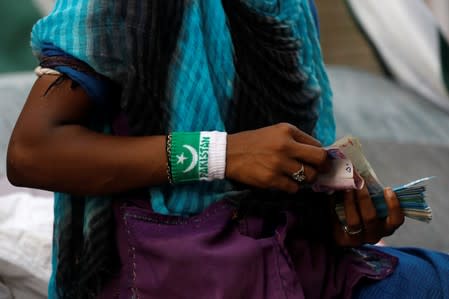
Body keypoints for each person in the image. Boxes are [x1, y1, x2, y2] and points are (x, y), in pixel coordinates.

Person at [6, 0, 449, 298]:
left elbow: (284, 169)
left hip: (295, 263)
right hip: (174, 277)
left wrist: (343, 223)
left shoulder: (289, 7)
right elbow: (33, 152)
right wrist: (222, 154)